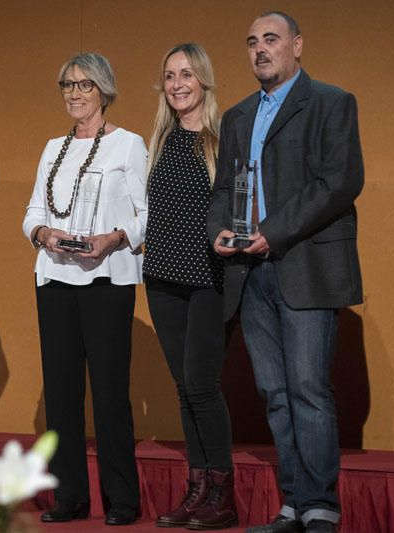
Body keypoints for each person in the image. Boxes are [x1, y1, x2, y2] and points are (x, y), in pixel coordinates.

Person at [208, 12, 364, 533]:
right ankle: (294, 505)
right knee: (274, 392)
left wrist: (273, 230)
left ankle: (321, 505)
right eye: (251, 42)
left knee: (307, 388)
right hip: (250, 271)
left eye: (270, 40)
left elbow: (339, 181)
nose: (260, 49)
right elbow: (224, 191)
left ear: (297, 45)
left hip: (305, 265)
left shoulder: (331, 103)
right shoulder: (236, 117)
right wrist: (218, 232)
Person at [22, 53, 147, 526]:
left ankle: (122, 500)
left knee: (110, 393)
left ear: (104, 90)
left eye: (84, 85)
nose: (75, 94)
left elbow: (146, 214)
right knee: (61, 392)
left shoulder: (129, 145)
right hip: (54, 278)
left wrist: (114, 237)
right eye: (68, 85)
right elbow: (33, 212)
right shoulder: (53, 148)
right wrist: (44, 235)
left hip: (106, 280)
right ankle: (69, 497)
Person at [143, 43, 236, 530]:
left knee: (202, 385)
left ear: (203, 80)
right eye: (170, 75)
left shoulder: (222, 140)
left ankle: (222, 494)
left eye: (187, 75)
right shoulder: (157, 141)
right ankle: (197, 490)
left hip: (208, 279)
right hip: (160, 278)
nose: (178, 84)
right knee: (184, 387)